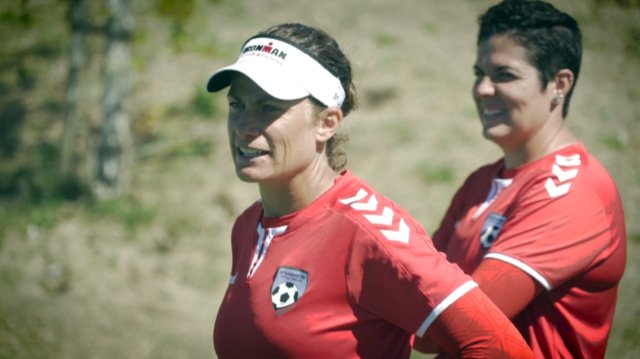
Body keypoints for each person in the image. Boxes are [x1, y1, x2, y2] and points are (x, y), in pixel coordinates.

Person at [206, 22, 533, 358]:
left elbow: (500, 348)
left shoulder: (369, 233)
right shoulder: (248, 226)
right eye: (237, 105)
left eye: (268, 107)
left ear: (327, 123)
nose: (244, 127)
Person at [415, 1, 627, 358]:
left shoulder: (573, 192)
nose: (482, 89)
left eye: (504, 74)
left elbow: (445, 329)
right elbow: (417, 294)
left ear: (559, 84)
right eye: (479, 73)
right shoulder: (480, 182)